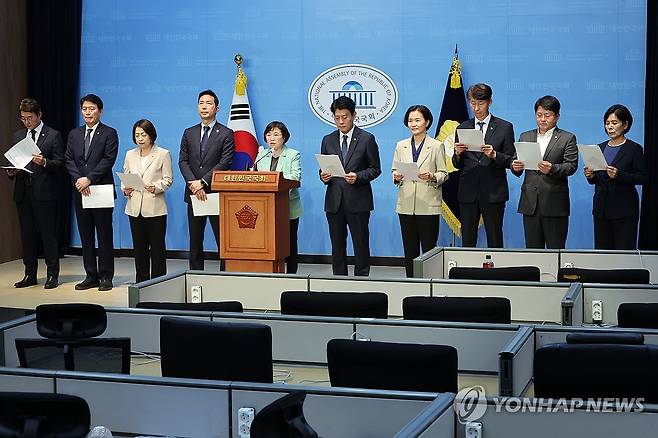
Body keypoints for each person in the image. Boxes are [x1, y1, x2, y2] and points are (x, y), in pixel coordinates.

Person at [320, 96, 381, 276]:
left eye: (345, 117)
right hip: (334, 201)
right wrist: (323, 177)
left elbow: (375, 169)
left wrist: (359, 177)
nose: (341, 121)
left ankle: (361, 278)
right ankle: (339, 278)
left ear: (354, 115)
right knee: (337, 244)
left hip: (358, 200)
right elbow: (323, 168)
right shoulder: (328, 139)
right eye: (337, 117)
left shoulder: (367, 138)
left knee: (360, 242)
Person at [6, 98, 64, 289]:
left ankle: (52, 274)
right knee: (27, 235)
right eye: (23, 118)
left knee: (48, 235)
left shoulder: (53, 135)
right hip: (24, 192)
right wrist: (12, 171)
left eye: (30, 118)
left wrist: (45, 162)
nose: (26, 122)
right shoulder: (19, 135)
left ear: (39, 115)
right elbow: (17, 161)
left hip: (45, 193)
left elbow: (60, 164)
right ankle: (29, 274)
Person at [65, 94, 118, 291]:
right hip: (80, 190)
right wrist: (79, 179)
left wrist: (89, 178)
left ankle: (106, 276)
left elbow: (108, 159)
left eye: (92, 108)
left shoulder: (109, 133)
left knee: (104, 234)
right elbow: (69, 159)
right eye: (84, 109)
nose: (87, 112)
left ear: (100, 111)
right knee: (86, 236)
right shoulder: (74, 134)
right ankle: (90, 275)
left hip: (101, 190)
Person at [453, 83, 515, 248]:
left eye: (480, 103)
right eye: (472, 103)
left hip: (493, 190)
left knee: (494, 237)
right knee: (468, 238)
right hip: (468, 191)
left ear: (490, 102)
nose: (476, 108)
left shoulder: (504, 127)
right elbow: (457, 164)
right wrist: (457, 154)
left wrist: (494, 155)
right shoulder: (462, 127)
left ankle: (496, 272)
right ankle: (466, 271)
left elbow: (510, 159)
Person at [511, 96, 578, 249]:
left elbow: (571, 165)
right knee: (533, 250)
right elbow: (516, 161)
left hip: (554, 203)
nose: (542, 119)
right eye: (539, 115)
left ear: (557, 116)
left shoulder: (567, 138)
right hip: (530, 202)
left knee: (556, 250)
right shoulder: (525, 136)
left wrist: (553, 169)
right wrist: (515, 166)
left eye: (547, 115)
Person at [179, 89, 235, 270]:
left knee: (222, 238)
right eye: (201, 103)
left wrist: (203, 182)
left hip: (215, 192)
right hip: (194, 193)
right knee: (195, 238)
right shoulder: (189, 132)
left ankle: (225, 274)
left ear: (217, 108)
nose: (204, 107)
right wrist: (194, 184)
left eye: (209, 103)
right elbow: (183, 161)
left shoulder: (226, 133)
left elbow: (225, 161)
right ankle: (196, 273)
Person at [392, 105, 448, 277]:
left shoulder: (437, 146)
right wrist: (397, 176)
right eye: (410, 120)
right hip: (406, 204)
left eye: (417, 120)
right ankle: (411, 281)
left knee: (428, 249)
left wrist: (432, 176)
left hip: (428, 205)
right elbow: (394, 170)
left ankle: (429, 281)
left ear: (427, 122)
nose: (413, 124)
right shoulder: (401, 146)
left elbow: (444, 173)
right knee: (410, 249)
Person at [584, 104, 647, 249]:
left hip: (624, 211)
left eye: (614, 123)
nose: (610, 127)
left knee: (623, 253)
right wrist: (590, 176)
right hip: (601, 209)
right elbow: (597, 178)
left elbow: (642, 177)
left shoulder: (634, 149)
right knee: (602, 253)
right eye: (607, 123)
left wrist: (619, 175)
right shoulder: (599, 147)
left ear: (625, 124)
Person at [122, 119, 173, 283]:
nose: (140, 138)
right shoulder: (130, 154)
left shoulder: (163, 154)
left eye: (143, 134)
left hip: (155, 207)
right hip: (134, 207)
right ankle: (141, 282)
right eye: (137, 135)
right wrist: (125, 188)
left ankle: (158, 281)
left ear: (151, 135)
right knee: (139, 248)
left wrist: (156, 187)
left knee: (157, 249)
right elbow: (126, 176)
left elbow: (168, 179)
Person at [254, 121, 302, 274]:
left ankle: (292, 273)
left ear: (284, 137)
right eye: (268, 135)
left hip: (287, 207)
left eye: (276, 134)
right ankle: (270, 271)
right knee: (268, 242)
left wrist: (277, 181)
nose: (271, 138)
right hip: (265, 208)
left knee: (289, 242)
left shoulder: (293, 154)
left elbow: (295, 177)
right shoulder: (262, 155)